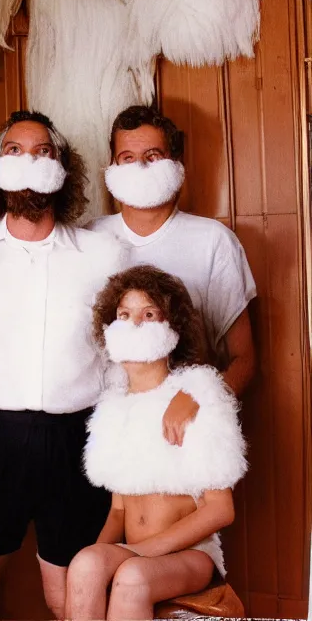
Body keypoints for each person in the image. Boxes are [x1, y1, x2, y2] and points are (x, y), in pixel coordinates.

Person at [0, 110, 127, 619]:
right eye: (14, 150)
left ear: (62, 168)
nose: (28, 161)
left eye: (42, 151)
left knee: (69, 590)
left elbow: (122, 349)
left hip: (76, 438)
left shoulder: (103, 253)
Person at [65, 265, 247, 620]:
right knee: (84, 563)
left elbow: (221, 509)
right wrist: (94, 568)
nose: (135, 324)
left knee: (132, 576)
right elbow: (118, 510)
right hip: (136, 551)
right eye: (124, 314)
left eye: (149, 314)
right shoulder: (112, 410)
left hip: (191, 556)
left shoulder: (195, 399)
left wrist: (144, 551)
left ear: (172, 328)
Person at [88, 105, 256, 445]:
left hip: (185, 433)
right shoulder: (89, 240)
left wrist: (200, 402)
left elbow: (245, 359)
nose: (141, 167)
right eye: (127, 157)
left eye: (153, 155)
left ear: (175, 164)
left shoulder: (213, 241)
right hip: (109, 428)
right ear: (112, 168)